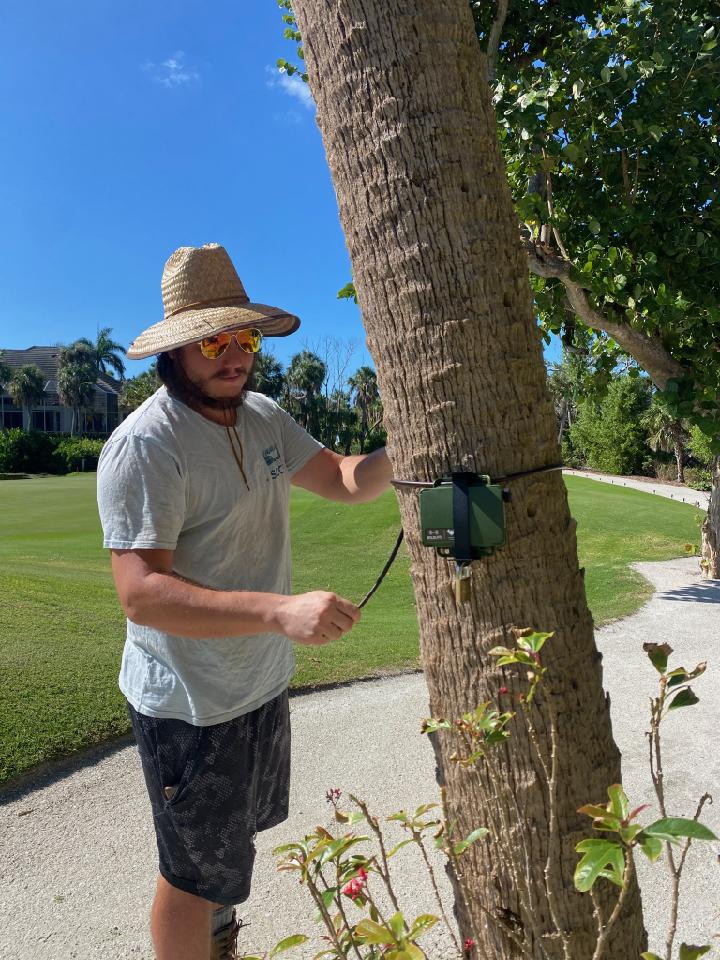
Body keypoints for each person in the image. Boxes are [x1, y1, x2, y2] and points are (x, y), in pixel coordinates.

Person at [97, 243, 393, 960]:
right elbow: (141, 595)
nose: (234, 356)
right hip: (189, 703)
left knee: (229, 855)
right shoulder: (147, 444)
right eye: (213, 342)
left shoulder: (262, 416)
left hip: (257, 683)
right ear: (175, 351)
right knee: (191, 875)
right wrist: (278, 612)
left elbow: (344, 479)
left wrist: (411, 443)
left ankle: (220, 945)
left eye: (245, 338)